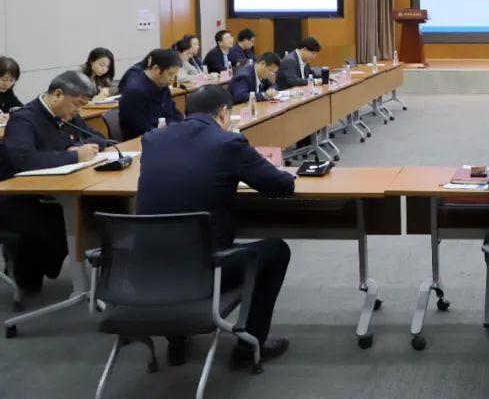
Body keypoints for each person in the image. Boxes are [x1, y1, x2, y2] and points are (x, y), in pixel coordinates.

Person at [136, 84, 295, 368]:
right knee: (276, 250)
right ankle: (250, 345)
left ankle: (177, 340)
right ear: (224, 113)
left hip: (147, 271)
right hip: (204, 270)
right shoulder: (228, 143)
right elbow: (280, 186)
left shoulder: (152, 139)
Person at [0, 71, 106, 290]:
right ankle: (26, 270)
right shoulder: (24, 119)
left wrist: (80, 147)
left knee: (95, 211)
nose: (78, 111)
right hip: (18, 197)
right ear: (58, 94)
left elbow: (99, 138)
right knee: (60, 224)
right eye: (77, 104)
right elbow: (24, 159)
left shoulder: (68, 115)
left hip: (56, 190)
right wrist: (73, 155)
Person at [118, 49, 184, 140]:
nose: (172, 79)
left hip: (164, 135)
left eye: (175, 75)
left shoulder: (163, 86)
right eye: (170, 74)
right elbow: (140, 128)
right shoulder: (135, 91)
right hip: (142, 141)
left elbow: (174, 114)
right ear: (156, 68)